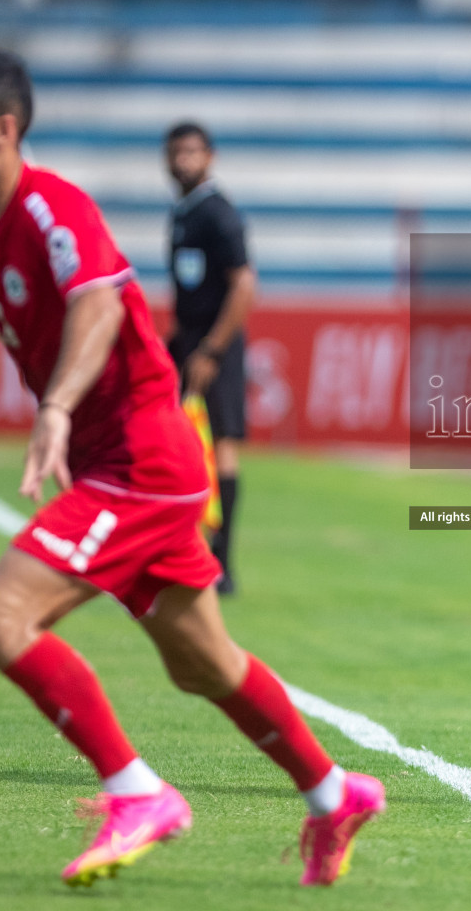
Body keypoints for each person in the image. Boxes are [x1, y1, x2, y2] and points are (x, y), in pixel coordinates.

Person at [0, 45, 382, 887]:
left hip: (140, 459)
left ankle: (139, 793)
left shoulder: (51, 209)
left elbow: (97, 304)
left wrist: (56, 407)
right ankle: (334, 791)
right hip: (121, 463)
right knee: (202, 663)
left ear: (1, 130)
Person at [163, 121, 255, 597]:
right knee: (177, 440)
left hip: (214, 345)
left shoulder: (219, 214)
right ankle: (182, 547)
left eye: (192, 152)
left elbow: (243, 284)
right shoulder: (182, 213)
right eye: (176, 152)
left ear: (209, 157)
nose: (183, 161)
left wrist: (213, 350)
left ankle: (222, 561)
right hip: (187, 341)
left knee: (221, 444)